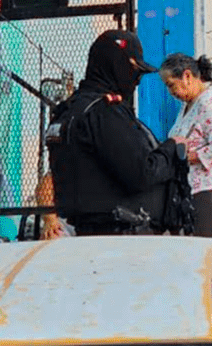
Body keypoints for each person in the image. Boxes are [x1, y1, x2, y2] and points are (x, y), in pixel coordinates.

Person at [46, 29, 192, 236]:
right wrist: (171, 148)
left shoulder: (68, 111)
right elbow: (141, 173)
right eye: (134, 70)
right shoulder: (104, 112)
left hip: (89, 233)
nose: (137, 81)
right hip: (121, 237)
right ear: (115, 64)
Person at [160, 53, 212, 239]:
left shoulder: (210, 103)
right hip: (194, 189)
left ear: (187, 76)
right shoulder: (188, 105)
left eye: (171, 85)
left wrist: (181, 157)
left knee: (209, 248)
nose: (171, 92)